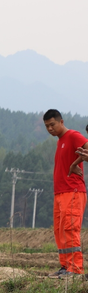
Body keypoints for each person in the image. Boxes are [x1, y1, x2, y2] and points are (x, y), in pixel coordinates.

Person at [44, 109, 87, 278]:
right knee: (60, 230)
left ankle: (75, 269)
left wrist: (76, 163)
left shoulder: (73, 136)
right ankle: (66, 266)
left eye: (52, 124)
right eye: (47, 126)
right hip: (60, 193)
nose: (50, 129)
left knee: (70, 229)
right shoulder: (60, 141)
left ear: (61, 122)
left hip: (73, 191)